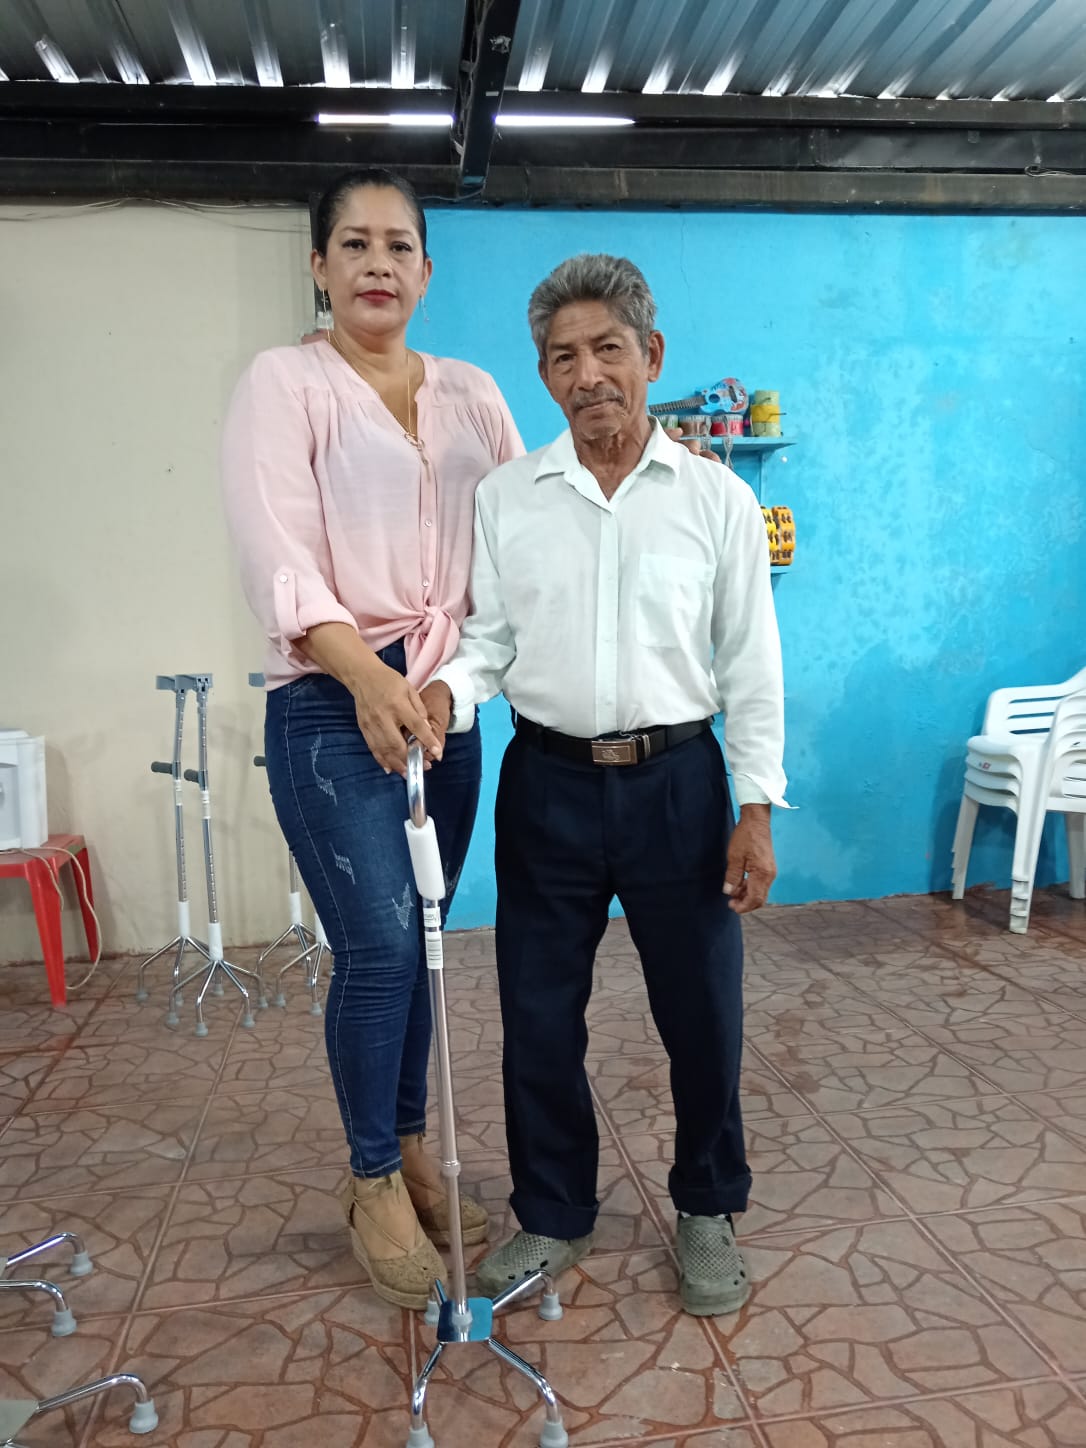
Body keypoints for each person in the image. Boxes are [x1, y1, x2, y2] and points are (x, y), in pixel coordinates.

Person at [422, 254, 787, 1317]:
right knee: (538, 1012)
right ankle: (552, 1211)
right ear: (544, 375)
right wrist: (445, 692)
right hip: (548, 786)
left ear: (651, 355)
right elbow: (489, 643)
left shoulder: (718, 499)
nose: (587, 375)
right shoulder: (509, 498)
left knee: (702, 1012)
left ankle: (708, 1204)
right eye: (563, 357)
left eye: (607, 349)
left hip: (680, 786)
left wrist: (754, 809)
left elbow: (750, 663)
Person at [221, 168, 524, 1311]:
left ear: (428, 271)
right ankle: (371, 1176)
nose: (377, 264)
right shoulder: (284, 383)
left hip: (445, 699)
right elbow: (277, 549)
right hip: (327, 697)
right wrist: (365, 673)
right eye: (354, 244)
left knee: (429, 937)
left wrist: (446, 684)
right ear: (319, 265)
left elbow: (517, 537)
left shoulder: (474, 393)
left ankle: (409, 1145)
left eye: (399, 245)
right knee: (383, 944)